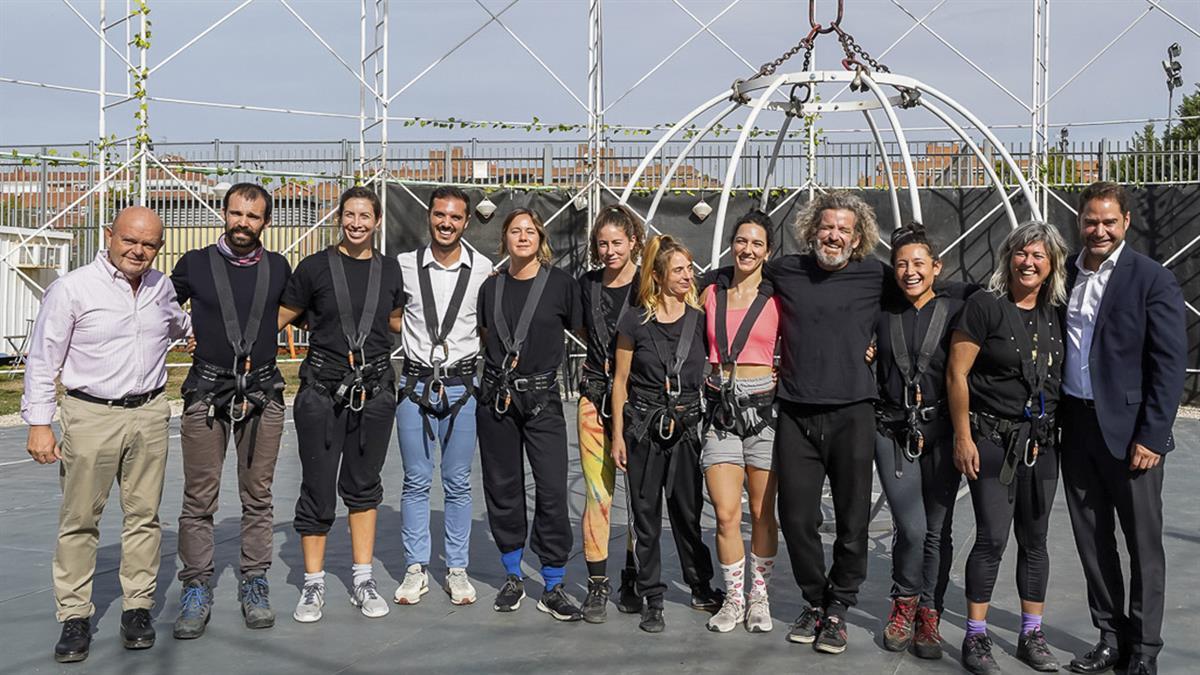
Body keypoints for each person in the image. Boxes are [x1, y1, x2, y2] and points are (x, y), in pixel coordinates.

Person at [23, 207, 191, 663]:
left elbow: (178, 325)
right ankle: (74, 614)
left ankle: (137, 607)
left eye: (149, 244)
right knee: (80, 519)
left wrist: (195, 334)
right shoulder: (73, 288)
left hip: (150, 413)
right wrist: (39, 423)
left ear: (159, 248)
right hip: (91, 415)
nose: (138, 251)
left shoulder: (161, 288)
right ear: (108, 235)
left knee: (144, 517)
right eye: (129, 240)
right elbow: (43, 358)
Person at [1059, 183, 1185, 675]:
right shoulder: (1064, 273)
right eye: (1091, 221)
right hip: (1077, 426)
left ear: (1126, 222)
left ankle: (1145, 651)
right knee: (1093, 542)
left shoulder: (1152, 278)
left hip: (1132, 434)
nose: (1100, 230)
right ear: (1080, 221)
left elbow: (1169, 364)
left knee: (1143, 545)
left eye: (1109, 221)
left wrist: (1153, 435)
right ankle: (1110, 638)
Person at [764, 191, 891, 655]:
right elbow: (731, 280)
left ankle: (839, 607)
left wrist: (881, 344)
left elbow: (922, 297)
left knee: (852, 518)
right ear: (812, 230)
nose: (834, 235)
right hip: (796, 411)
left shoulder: (876, 275)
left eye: (844, 229)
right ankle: (815, 600)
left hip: (853, 411)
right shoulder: (785, 270)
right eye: (827, 227)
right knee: (796, 517)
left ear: (858, 238)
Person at [947, 221, 1069, 675]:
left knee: (1035, 541)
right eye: (1021, 253)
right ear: (1008, 258)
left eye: (1038, 255)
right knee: (993, 538)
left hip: (1043, 443)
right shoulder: (985, 306)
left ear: (1052, 263)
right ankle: (975, 636)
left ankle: (1031, 634)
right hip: (993, 441)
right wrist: (963, 436)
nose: (1028, 262)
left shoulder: (1057, 310)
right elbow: (957, 373)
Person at [278, 186, 404, 623]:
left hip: (374, 392)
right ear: (339, 218)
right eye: (349, 215)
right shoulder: (314, 267)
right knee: (317, 486)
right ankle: (312, 583)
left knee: (364, 485)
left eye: (365, 216)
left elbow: (395, 320)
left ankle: (363, 578)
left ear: (377, 221)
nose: (356, 223)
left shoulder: (390, 270)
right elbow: (281, 316)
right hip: (322, 390)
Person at [171, 183, 291, 639]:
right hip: (207, 392)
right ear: (224, 213)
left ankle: (255, 581)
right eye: (236, 213)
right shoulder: (195, 263)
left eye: (253, 216)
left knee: (258, 496)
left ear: (266, 222)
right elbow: (154, 307)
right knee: (198, 498)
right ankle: (196, 585)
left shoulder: (278, 268)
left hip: (262, 393)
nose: (243, 222)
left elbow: (308, 312)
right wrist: (183, 329)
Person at [611, 234, 723, 634]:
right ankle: (652, 597)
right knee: (645, 517)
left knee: (688, 514)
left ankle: (700, 586)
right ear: (657, 276)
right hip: (643, 428)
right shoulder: (634, 320)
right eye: (678, 270)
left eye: (689, 269)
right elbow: (620, 381)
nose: (687, 276)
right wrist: (617, 436)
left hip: (686, 430)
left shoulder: (700, 319)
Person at [476, 208, 583, 622]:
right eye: (515, 231)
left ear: (541, 239)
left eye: (530, 231)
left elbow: (583, 331)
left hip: (542, 400)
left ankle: (553, 583)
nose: (523, 237)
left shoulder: (561, 285)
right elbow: (487, 336)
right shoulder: (491, 287)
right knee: (503, 487)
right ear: (504, 238)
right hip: (498, 399)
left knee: (552, 488)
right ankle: (512, 575)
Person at [393, 186, 492, 607]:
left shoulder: (482, 268)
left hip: (461, 387)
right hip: (414, 385)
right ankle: (415, 568)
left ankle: (456, 568)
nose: (446, 223)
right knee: (415, 480)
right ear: (429, 216)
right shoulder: (404, 265)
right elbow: (392, 316)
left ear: (466, 221)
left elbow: (487, 325)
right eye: (439, 215)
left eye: (454, 217)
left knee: (457, 481)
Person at [872, 224, 968, 659]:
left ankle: (930, 612)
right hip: (892, 430)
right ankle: (903, 603)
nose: (910, 272)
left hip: (940, 430)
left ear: (936, 267)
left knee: (937, 530)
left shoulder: (956, 310)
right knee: (911, 527)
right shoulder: (881, 313)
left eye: (919, 264)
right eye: (901, 265)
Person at [698, 212, 781, 634]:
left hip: (763, 408)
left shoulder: (779, 296)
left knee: (763, 513)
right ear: (732, 244)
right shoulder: (710, 292)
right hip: (720, 409)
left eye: (757, 243)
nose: (747, 250)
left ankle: (759, 596)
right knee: (726, 513)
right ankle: (734, 597)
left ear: (768, 251)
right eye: (742, 241)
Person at [575, 204, 644, 622]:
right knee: (598, 495)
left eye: (617, 243)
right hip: (594, 399)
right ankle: (597, 583)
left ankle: (633, 575)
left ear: (633, 241)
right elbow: (582, 329)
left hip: (641, 404)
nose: (610, 251)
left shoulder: (648, 284)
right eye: (602, 244)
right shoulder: (586, 286)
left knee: (639, 497)